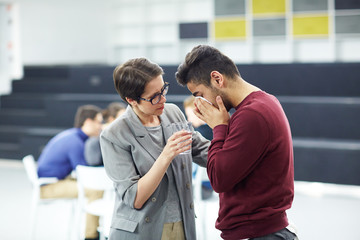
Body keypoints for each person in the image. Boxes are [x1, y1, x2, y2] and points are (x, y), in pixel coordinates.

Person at [176, 45, 297, 240]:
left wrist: (219, 127)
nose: (201, 103)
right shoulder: (262, 103)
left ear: (217, 79)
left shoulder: (251, 114)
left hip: (259, 233)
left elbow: (219, 179)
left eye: (199, 94)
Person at [100, 57, 210, 240]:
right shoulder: (115, 134)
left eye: (163, 90)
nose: (163, 99)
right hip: (142, 230)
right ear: (131, 100)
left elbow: (201, 149)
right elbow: (135, 198)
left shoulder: (172, 112)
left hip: (182, 224)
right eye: (154, 97)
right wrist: (166, 156)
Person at [37, 104, 104, 240]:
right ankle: (91, 235)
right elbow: (84, 172)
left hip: (54, 181)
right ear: (88, 122)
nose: (100, 126)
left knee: (95, 188)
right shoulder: (75, 142)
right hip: (47, 187)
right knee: (96, 190)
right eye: (98, 122)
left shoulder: (73, 136)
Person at [183, 95, 213, 200]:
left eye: (190, 115)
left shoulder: (198, 136)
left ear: (199, 112)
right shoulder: (218, 129)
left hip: (201, 188)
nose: (188, 120)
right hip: (213, 188)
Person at [84, 102, 126, 166]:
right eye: (121, 118)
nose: (125, 122)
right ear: (111, 119)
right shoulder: (95, 141)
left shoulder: (125, 137)